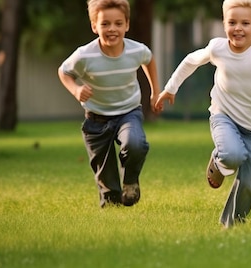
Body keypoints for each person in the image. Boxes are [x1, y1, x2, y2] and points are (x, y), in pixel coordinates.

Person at [155, 0, 251, 227]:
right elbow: (191, 61)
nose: (238, 28)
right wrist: (171, 87)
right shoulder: (218, 48)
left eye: (245, 23)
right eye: (232, 22)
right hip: (223, 117)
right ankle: (219, 161)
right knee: (232, 154)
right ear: (224, 23)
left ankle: (232, 224)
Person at [58, 0, 162, 208]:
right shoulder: (85, 55)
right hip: (96, 118)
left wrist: (155, 92)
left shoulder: (136, 50)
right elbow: (64, 72)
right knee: (109, 189)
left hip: (128, 112)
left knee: (135, 143)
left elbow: (149, 60)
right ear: (94, 26)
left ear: (127, 25)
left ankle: (131, 181)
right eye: (105, 24)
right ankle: (113, 201)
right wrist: (76, 89)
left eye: (118, 23)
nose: (112, 29)